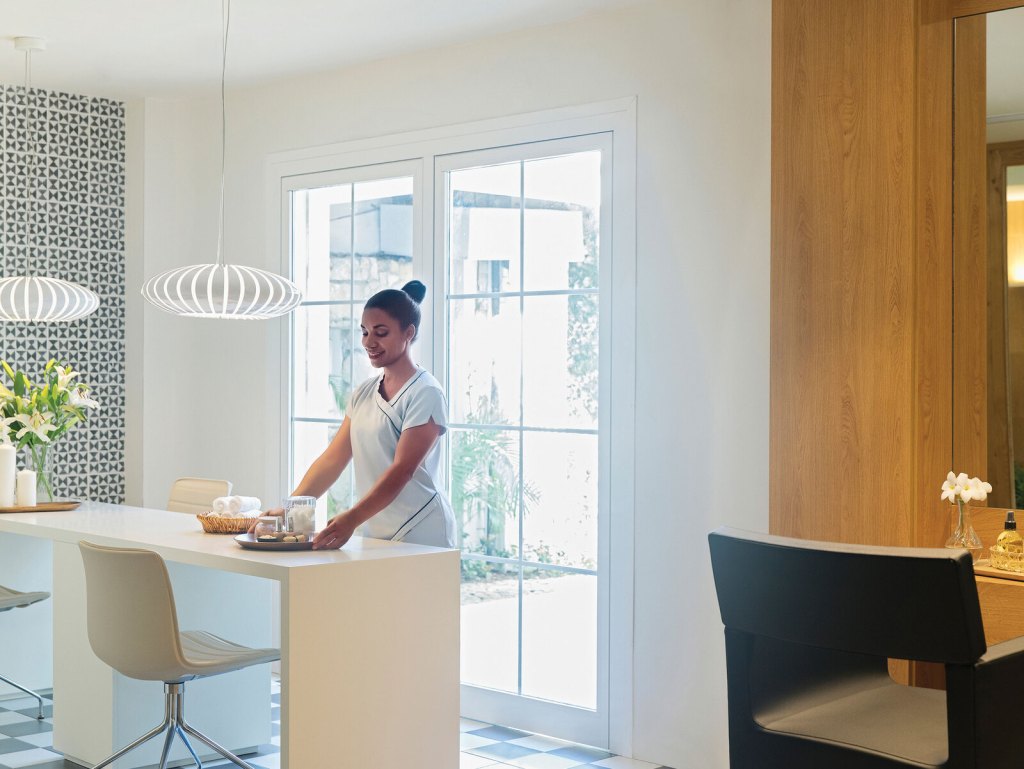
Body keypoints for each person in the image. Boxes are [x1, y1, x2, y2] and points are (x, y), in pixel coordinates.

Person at [273, 279, 456, 550]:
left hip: (421, 529)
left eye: (381, 333)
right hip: (374, 528)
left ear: (408, 333)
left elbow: (402, 470)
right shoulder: (363, 393)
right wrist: (289, 509)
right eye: (365, 332)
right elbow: (332, 460)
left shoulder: (426, 393)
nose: (369, 342)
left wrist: (352, 518)